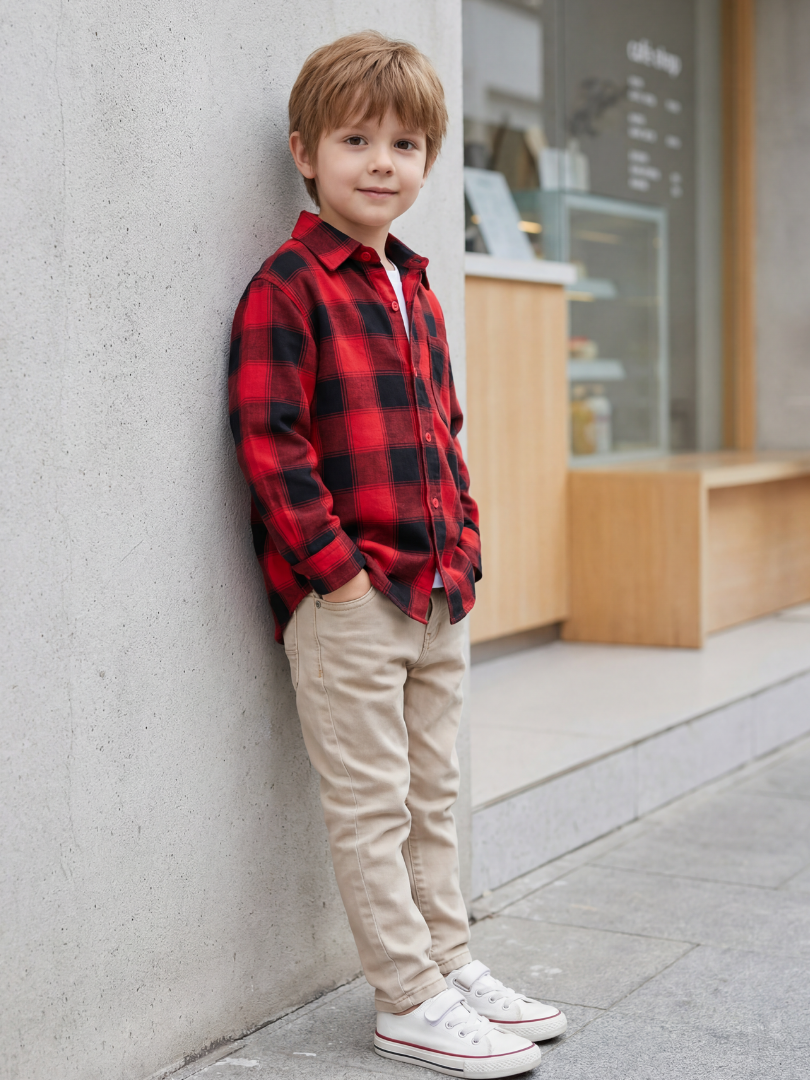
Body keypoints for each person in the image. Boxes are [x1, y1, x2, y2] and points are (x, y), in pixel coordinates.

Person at [228, 30, 566, 1076]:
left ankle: (451, 962)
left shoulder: (414, 285)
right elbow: (270, 441)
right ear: (304, 150)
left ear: (429, 162)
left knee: (432, 793)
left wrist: (465, 550)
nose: (384, 161)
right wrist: (334, 573)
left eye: (408, 144)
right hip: (351, 603)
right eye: (358, 138)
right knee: (372, 807)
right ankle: (407, 997)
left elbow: (442, 429)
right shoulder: (288, 287)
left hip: (435, 591)